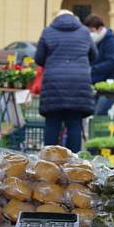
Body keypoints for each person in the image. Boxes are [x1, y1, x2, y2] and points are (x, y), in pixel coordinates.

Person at [34, 9, 97, 152]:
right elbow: (94, 55)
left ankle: (48, 161)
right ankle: (72, 164)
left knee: (52, 123)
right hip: (78, 83)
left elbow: (39, 58)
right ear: (74, 17)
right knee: (74, 124)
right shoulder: (84, 32)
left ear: (56, 18)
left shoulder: (48, 31)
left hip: (53, 83)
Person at [84, 14, 114, 116]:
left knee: (100, 111)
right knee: (91, 111)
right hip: (95, 83)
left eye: (92, 31)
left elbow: (112, 63)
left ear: (100, 28)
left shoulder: (111, 41)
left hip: (111, 84)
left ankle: (104, 130)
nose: (90, 34)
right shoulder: (93, 42)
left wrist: (92, 69)